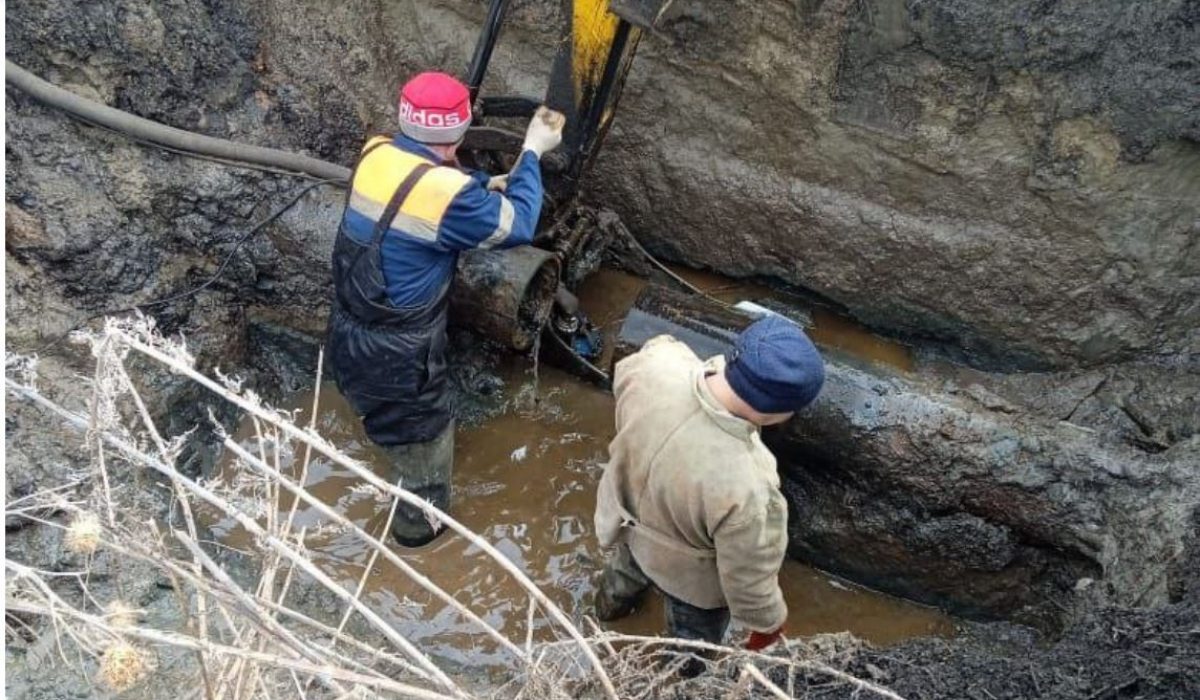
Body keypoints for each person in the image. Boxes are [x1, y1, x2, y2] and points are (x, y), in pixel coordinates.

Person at [327, 72, 565, 547]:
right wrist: (532, 151)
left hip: (348, 330)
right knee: (424, 462)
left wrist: (482, 183)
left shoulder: (375, 152)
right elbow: (517, 223)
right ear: (456, 135)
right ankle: (417, 545)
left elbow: (423, 182)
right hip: (400, 355)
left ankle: (392, 463)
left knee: (384, 424)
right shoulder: (449, 196)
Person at [593, 315, 825, 657]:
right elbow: (748, 578)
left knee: (620, 583)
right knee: (691, 643)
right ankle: (683, 680)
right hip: (687, 577)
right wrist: (768, 625)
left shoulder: (657, 364)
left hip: (626, 523)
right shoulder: (750, 485)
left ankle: (601, 621)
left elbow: (658, 346)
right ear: (776, 414)